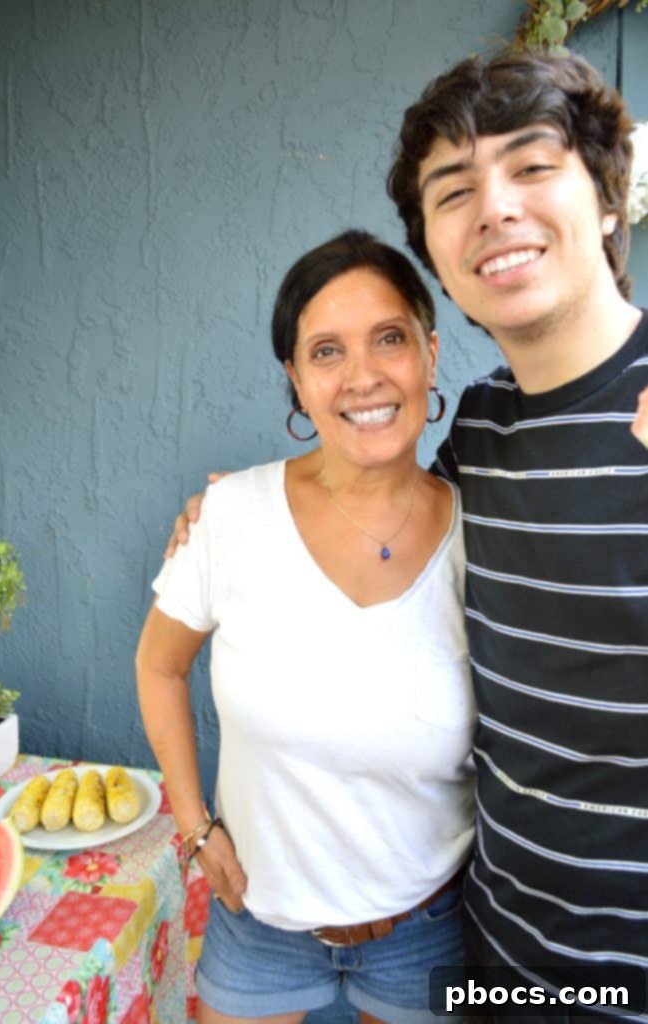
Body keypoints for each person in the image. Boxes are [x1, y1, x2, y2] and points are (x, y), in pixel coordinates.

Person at [174, 49, 648, 1021]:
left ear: (609, 199)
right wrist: (239, 512)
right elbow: (385, 508)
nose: (495, 208)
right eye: (454, 190)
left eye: (531, 165)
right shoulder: (482, 430)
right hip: (495, 956)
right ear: (435, 248)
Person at [136, 230, 476, 1024]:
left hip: (428, 928)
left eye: (388, 338)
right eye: (326, 351)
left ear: (429, 355)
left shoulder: (485, 539)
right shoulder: (230, 515)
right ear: (294, 377)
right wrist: (193, 827)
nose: (362, 376)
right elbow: (159, 665)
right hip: (255, 923)